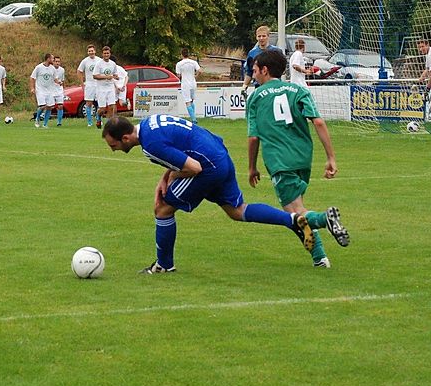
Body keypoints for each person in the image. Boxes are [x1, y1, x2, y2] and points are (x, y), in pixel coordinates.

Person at [102, 114, 314, 274]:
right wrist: (164, 178)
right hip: (219, 153)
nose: (113, 150)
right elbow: (180, 149)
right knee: (237, 211)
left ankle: (164, 265)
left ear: (126, 138)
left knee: (163, 209)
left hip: (208, 167)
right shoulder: (150, 122)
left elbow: (193, 168)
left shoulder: (150, 145)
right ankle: (292, 219)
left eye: (114, 145)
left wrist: (172, 178)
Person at [246, 50, 350, 268]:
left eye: (255, 71)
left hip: (279, 160)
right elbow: (318, 122)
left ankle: (325, 219)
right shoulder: (298, 90)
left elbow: (254, 137)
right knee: (297, 212)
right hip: (303, 158)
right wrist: (331, 157)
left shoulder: (255, 97)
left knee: (295, 215)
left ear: (265, 70)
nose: (253, 75)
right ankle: (320, 259)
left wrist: (252, 167)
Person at [240, 25, 281, 96]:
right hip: (259, 87)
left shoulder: (276, 51)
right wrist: (244, 86)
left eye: (264, 36)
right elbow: (249, 72)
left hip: (274, 87)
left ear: (268, 37)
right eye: (259, 36)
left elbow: (282, 70)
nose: (261, 38)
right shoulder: (252, 53)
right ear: (256, 37)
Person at [93, 46, 119, 128]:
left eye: (107, 53)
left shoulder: (113, 64)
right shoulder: (99, 64)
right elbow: (95, 76)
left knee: (111, 107)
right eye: (105, 53)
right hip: (101, 88)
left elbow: (115, 74)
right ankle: (98, 118)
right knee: (102, 109)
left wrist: (115, 76)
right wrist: (106, 77)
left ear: (110, 54)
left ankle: (108, 125)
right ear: (102, 54)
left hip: (110, 87)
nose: (106, 55)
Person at [77, 45, 102, 127]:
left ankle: (99, 120)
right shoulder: (85, 61)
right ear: (88, 52)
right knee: (89, 103)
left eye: (92, 51)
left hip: (98, 84)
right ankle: (89, 122)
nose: (91, 52)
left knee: (100, 103)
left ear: (95, 51)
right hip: (89, 84)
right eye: (89, 51)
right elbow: (79, 71)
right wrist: (82, 83)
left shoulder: (99, 60)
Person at [30, 53, 57, 128]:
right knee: (42, 106)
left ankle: (45, 124)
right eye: (52, 58)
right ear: (48, 59)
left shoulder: (52, 68)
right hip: (40, 90)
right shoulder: (39, 67)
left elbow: (55, 78)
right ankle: (37, 119)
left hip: (50, 90)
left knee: (49, 107)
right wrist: (32, 88)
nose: (53, 60)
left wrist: (58, 82)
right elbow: (32, 78)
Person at [175, 48, 201, 123]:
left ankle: (193, 119)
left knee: (187, 101)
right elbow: (199, 71)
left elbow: (178, 75)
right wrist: (195, 76)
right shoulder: (193, 62)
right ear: (188, 54)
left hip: (185, 84)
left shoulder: (179, 64)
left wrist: (181, 77)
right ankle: (193, 116)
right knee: (192, 100)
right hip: (193, 83)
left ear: (181, 54)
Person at [52, 55, 67, 126]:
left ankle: (59, 122)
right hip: (51, 89)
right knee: (49, 106)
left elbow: (63, 80)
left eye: (58, 61)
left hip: (59, 90)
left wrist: (64, 89)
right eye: (56, 61)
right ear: (53, 62)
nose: (57, 63)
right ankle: (41, 118)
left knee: (60, 106)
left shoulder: (62, 70)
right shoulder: (50, 69)